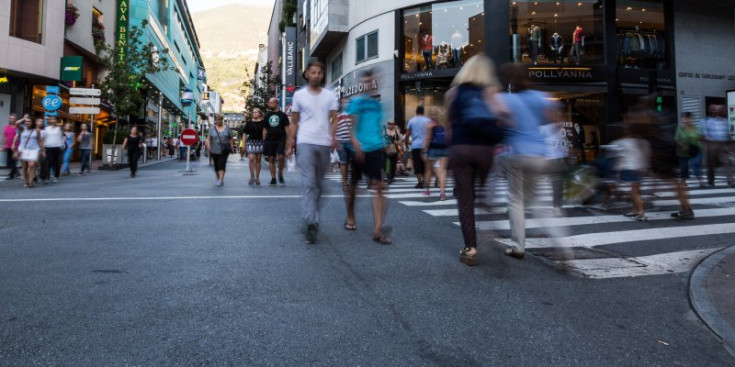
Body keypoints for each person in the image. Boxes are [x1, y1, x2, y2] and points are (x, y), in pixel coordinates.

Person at [444, 55, 511, 266]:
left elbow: (448, 128)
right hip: (485, 150)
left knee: (465, 199)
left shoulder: (453, 93)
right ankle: (491, 229)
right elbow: (504, 115)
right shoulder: (490, 92)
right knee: (483, 196)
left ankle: (471, 248)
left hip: (461, 148)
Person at [499, 62, 559, 260]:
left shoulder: (507, 100)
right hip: (539, 155)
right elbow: (555, 122)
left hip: (516, 154)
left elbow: (498, 123)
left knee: (515, 200)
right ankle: (561, 244)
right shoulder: (540, 97)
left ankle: (518, 246)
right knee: (535, 201)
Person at [286, 60, 339, 244]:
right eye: (313, 72)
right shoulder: (299, 96)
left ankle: (312, 214)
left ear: (322, 75)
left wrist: (333, 137)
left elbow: (335, 119)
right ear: (307, 74)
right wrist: (289, 143)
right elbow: (294, 122)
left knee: (320, 186)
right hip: (305, 141)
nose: (316, 75)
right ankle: (311, 222)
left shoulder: (330, 96)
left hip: (323, 143)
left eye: (319, 73)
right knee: (309, 183)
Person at [344, 70, 392, 244]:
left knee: (380, 186)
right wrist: (355, 143)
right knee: (354, 187)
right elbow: (351, 127)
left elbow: (378, 126)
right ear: (361, 83)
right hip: (358, 149)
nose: (369, 84)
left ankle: (377, 230)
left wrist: (384, 143)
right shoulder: (356, 103)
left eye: (371, 81)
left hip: (375, 148)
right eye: (366, 81)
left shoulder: (378, 104)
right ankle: (350, 215)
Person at [701, 104, 733, 187]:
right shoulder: (707, 121)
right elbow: (704, 135)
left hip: (723, 144)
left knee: (727, 162)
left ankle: (730, 181)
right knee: (711, 164)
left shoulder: (725, 121)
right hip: (712, 144)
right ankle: (711, 181)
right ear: (711, 111)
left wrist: (730, 145)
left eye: (719, 109)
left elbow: (728, 133)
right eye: (714, 109)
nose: (717, 111)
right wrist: (709, 140)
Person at [422, 106, 449, 200]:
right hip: (445, 149)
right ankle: (442, 192)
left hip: (433, 149)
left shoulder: (430, 124)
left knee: (428, 170)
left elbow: (428, 139)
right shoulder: (444, 124)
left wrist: (424, 151)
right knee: (442, 171)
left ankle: (427, 190)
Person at [263, 97, 290, 185]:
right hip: (270, 139)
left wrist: (289, 142)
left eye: (271, 103)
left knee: (281, 156)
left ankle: (280, 172)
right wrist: (264, 140)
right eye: (269, 103)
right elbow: (265, 129)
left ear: (276, 104)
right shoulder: (267, 116)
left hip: (281, 139)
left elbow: (287, 129)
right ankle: (273, 178)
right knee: (271, 158)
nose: (269, 104)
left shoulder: (283, 115)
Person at [13, 117, 44, 188]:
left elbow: (39, 140)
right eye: (26, 121)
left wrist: (42, 150)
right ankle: (25, 181)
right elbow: (17, 123)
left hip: (34, 149)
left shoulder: (37, 130)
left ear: (32, 122)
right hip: (24, 149)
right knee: (24, 166)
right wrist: (24, 118)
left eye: (29, 121)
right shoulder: (22, 129)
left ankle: (31, 181)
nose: (27, 122)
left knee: (32, 165)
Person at [405, 106, 431, 188]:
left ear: (416, 112)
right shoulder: (428, 120)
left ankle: (419, 182)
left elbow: (408, 134)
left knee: (417, 164)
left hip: (415, 145)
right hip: (426, 146)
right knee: (425, 163)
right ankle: (425, 179)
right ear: (423, 112)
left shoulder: (412, 121)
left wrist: (406, 142)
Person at [675, 111, 702, 187]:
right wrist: (683, 146)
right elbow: (677, 139)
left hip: (694, 150)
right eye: (684, 118)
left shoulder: (695, 127)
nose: (686, 120)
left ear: (691, 119)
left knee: (695, 164)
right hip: (683, 151)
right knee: (683, 167)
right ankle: (683, 181)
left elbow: (699, 137)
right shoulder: (680, 128)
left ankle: (700, 179)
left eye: (688, 118)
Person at [205, 114, 233, 186]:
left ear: (222, 120)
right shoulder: (212, 129)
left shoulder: (227, 128)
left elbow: (230, 138)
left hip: (224, 150)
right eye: (217, 120)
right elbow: (208, 139)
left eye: (220, 119)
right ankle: (219, 178)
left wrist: (231, 147)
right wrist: (208, 147)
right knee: (216, 166)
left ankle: (221, 179)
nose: (219, 121)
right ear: (215, 120)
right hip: (214, 150)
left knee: (222, 164)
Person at [242, 107, 265, 185]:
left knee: (258, 161)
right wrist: (243, 145)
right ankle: (252, 176)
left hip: (260, 142)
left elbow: (265, 133)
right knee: (251, 158)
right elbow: (244, 134)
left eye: (256, 112)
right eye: (253, 112)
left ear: (259, 113)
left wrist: (265, 143)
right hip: (251, 142)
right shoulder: (249, 123)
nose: (254, 113)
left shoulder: (263, 122)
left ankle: (257, 177)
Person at [335, 98, 354, 191]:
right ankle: (345, 183)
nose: (346, 104)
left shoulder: (353, 115)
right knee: (343, 163)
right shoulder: (337, 116)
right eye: (344, 102)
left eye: (348, 102)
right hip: (341, 142)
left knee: (352, 163)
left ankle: (350, 181)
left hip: (352, 142)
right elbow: (334, 129)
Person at [41, 116, 64, 183]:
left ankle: (56, 176)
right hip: (48, 147)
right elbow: (43, 138)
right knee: (48, 163)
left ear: (56, 120)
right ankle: (47, 177)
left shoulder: (59, 128)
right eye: (51, 119)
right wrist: (43, 148)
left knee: (57, 163)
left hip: (58, 147)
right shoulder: (46, 128)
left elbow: (62, 133)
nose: (52, 120)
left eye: (54, 119)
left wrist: (58, 125)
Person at [384, 119, 403, 184]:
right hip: (386, 150)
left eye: (392, 124)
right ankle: (389, 178)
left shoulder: (396, 131)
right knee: (387, 164)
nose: (391, 125)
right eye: (389, 123)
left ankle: (392, 177)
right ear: (388, 124)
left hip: (395, 150)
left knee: (393, 164)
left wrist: (397, 142)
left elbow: (401, 142)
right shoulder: (384, 131)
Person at [3, 113, 20, 180]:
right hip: (8, 146)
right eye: (11, 119)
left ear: (16, 119)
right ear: (9, 119)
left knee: (14, 161)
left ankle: (11, 175)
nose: (12, 120)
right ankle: (17, 173)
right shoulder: (6, 127)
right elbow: (5, 137)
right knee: (11, 162)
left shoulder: (18, 127)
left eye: (13, 119)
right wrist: (4, 145)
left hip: (16, 146)